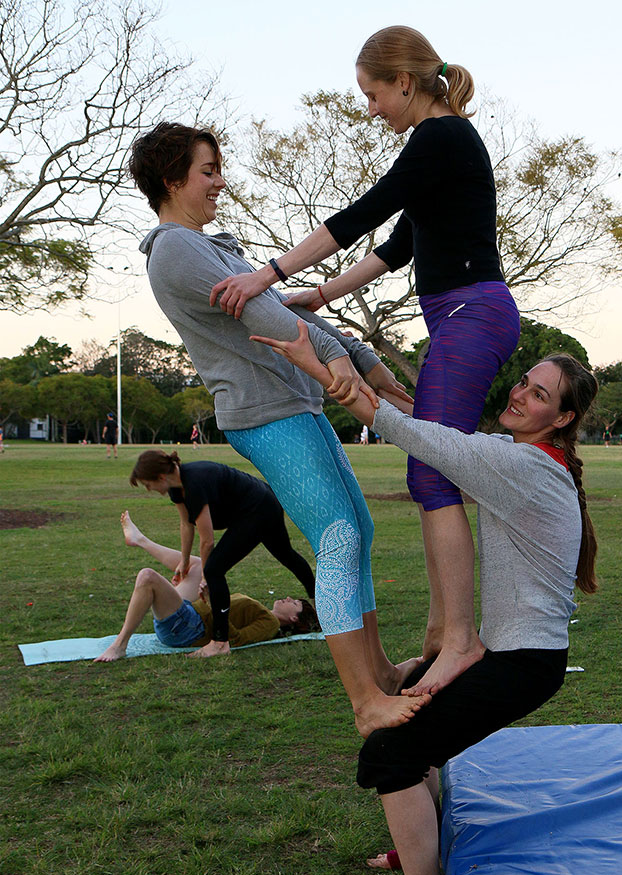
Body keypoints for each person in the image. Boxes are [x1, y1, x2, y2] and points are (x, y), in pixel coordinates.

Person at [256, 319, 599, 875]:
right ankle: (427, 844)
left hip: (523, 662)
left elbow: (409, 430)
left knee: (392, 755)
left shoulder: (519, 463)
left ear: (561, 418)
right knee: (414, 693)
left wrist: (314, 361)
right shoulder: (528, 460)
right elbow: (432, 428)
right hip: (515, 654)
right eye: (525, 382)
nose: (522, 394)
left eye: (541, 395)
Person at [209, 26, 521, 698]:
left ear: (405, 82)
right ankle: (444, 637)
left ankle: (460, 642)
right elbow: (400, 243)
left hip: (473, 315)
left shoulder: (440, 137)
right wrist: (316, 294)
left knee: (430, 471)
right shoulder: (442, 148)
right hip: (463, 318)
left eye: (374, 94)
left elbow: (364, 214)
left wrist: (266, 275)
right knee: (432, 469)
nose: (371, 108)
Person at [128, 123, 427, 732]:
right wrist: (339, 362)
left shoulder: (207, 246)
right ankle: (366, 702)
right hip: (264, 413)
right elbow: (269, 316)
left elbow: (284, 307)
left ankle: (384, 674)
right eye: (208, 170)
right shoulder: (177, 248)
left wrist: (363, 359)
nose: (219, 181)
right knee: (338, 537)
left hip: (294, 404)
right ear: (172, 179)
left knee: (358, 532)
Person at [128, 451, 316, 658]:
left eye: (148, 484)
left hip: (260, 507)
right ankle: (318, 604)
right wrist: (183, 561)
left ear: (161, 477)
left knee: (215, 570)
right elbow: (186, 525)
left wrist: (205, 578)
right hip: (252, 506)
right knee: (285, 555)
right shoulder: (176, 487)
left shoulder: (194, 484)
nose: (149, 489)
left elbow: (207, 541)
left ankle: (220, 642)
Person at [95, 511, 318, 662]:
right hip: (189, 614)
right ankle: (139, 539)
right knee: (199, 565)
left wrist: (213, 603)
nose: (289, 598)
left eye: (295, 603)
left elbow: (236, 639)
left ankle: (119, 645)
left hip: (188, 628)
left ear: (295, 619)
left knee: (147, 577)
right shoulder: (264, 612)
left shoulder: (269, 624)